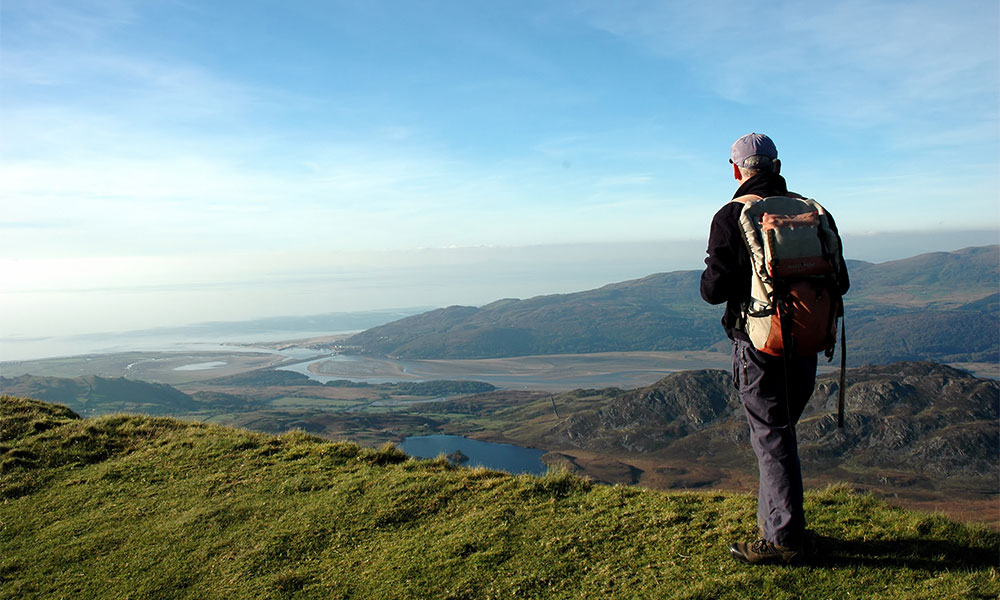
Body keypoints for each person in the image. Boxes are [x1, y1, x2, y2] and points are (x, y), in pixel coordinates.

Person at [700, 132, 849, 565]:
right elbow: (840, 281)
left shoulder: (733, 214)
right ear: (777, 166)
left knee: (770, 436)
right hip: (806, 340)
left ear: (736, 169)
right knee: (779, 434)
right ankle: (781, 526)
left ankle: (783, 540)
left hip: (761, 343)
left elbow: (713, 290)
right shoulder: (812, 210)